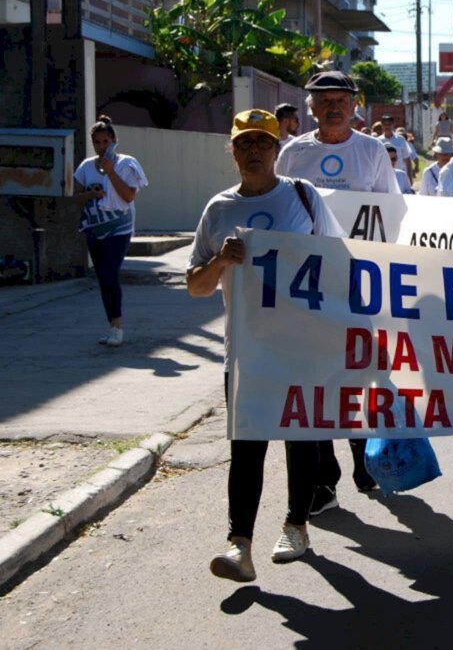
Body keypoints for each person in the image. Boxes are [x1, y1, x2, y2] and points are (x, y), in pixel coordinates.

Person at [186, 109, 346, 582]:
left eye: (263, 143)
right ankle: (240, 546)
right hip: (246, 349)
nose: (253, 151)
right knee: (247, 446)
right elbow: (195, 284)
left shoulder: (303, 196)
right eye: (244, 143)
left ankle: (297, 524)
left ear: (278, 149)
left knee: (301, 439)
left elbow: (339, 259)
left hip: (302, 344)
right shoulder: (218, 210)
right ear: (231, 151)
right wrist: (219, 262)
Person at [276, 70, 400, 514]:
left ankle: (363, 461)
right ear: (308, 107)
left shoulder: (371, 152)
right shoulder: (291, 154)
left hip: (357, 284)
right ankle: (324, 480)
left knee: (356, 374)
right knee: (315, 380)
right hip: (307, 286)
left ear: (354, 106)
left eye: (341, 100)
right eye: (323, 100)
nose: (332, 107)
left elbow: (393, 215)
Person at [73, 115, 148, 347]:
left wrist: (110, 171)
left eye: (106, 142)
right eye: (97, 142)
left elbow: (128, 196)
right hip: (95, 227)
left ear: (114, 141)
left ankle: (117, 327)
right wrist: (90, 194)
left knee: (110, 273)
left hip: (120, 227)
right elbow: (75, 198)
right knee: (102, 278)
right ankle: (112, 327)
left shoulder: (127, 164)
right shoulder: (86, 166)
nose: (102, 147)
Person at [378, 116, 415, 182]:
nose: (387, 127)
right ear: (381, 125)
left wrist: (410, 178)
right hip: (384, 176)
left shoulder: (401, 139)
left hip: (399, 175)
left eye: (389, 124)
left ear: (393, 124)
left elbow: (407, 159)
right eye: (384, 124)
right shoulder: (378, 141)